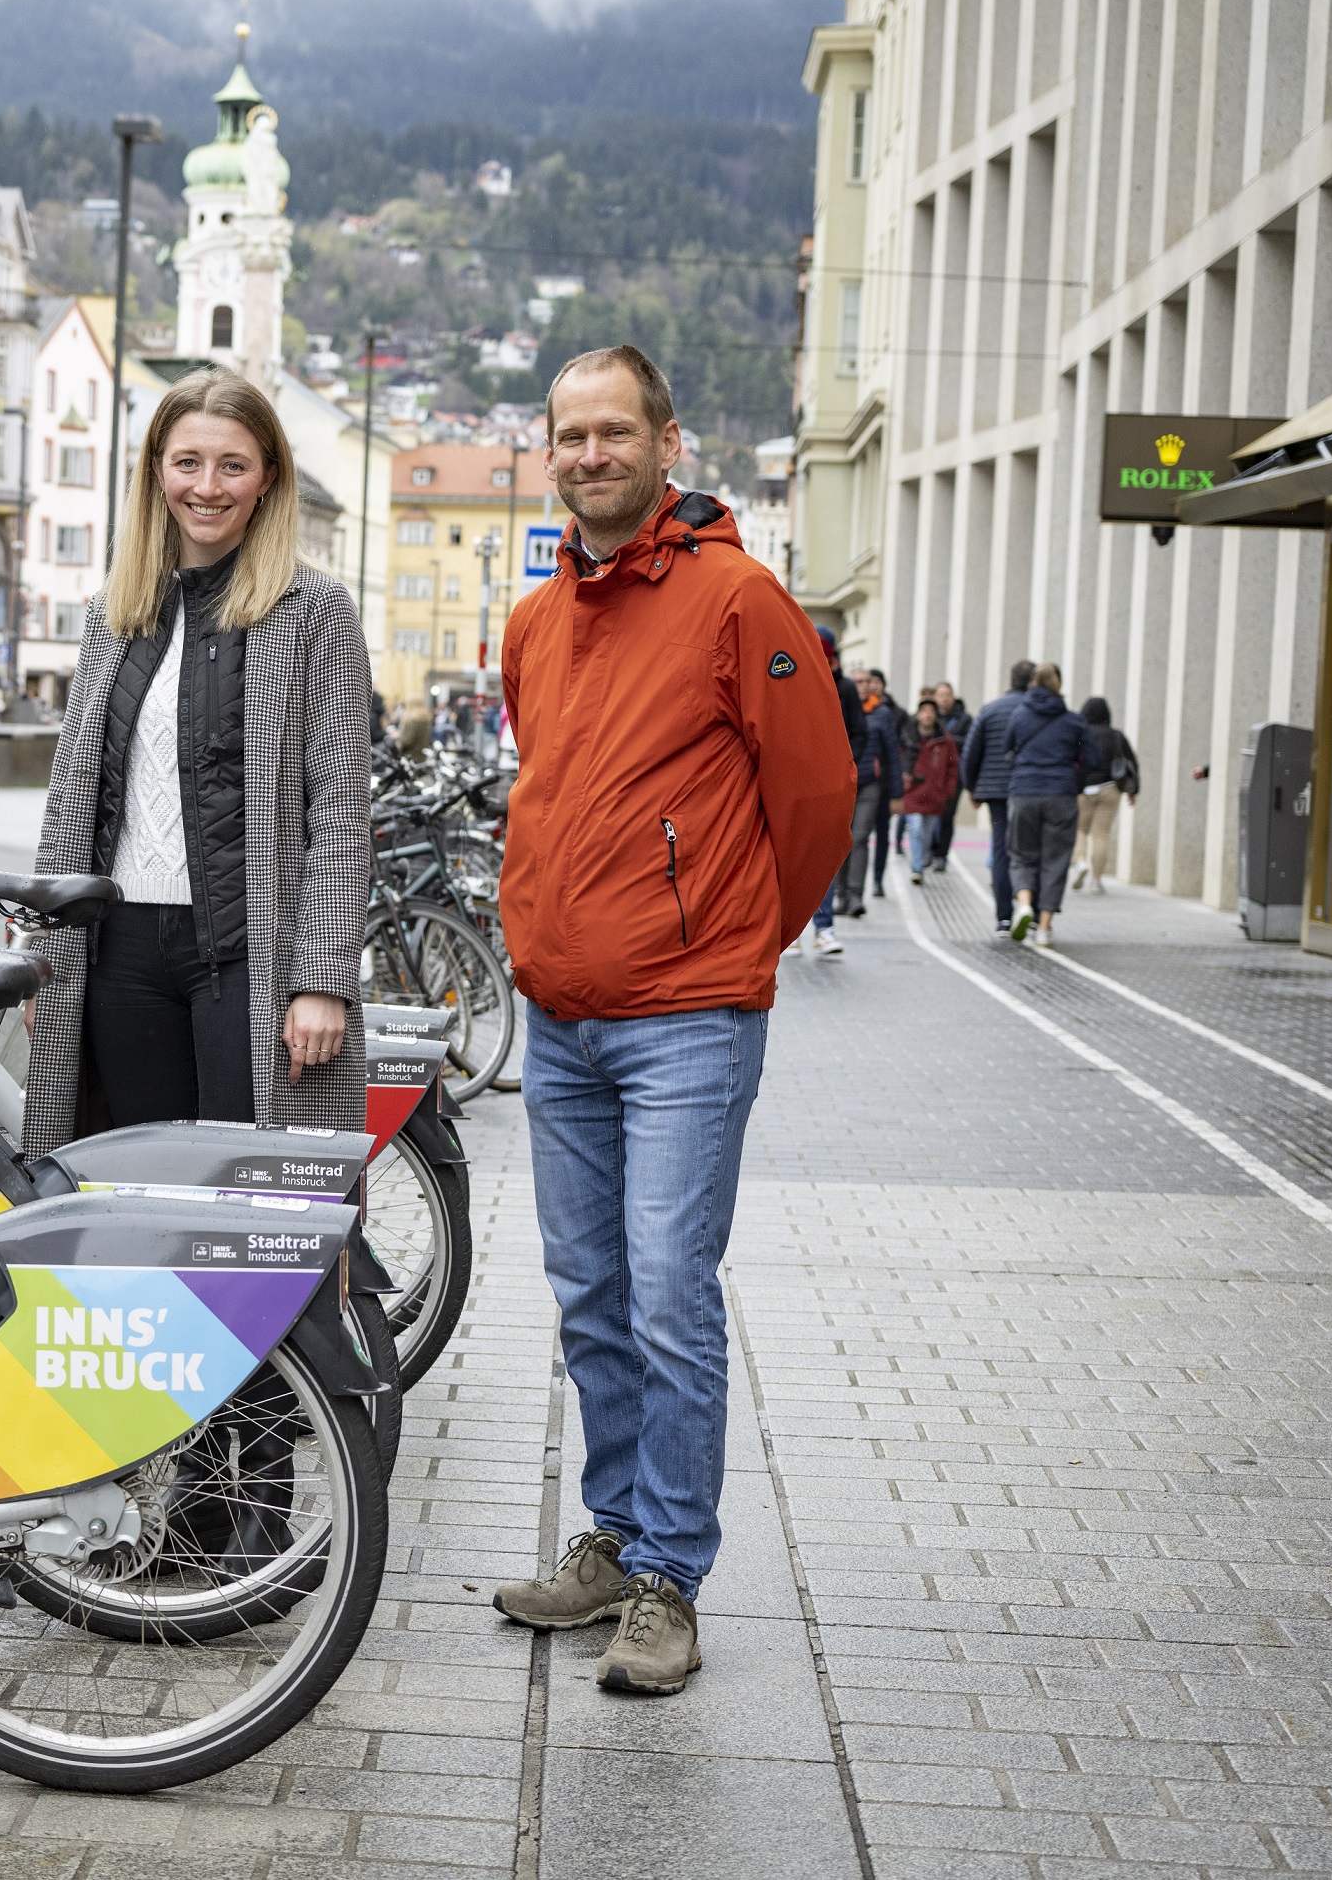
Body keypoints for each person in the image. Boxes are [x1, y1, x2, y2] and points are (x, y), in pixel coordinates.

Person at [486, 344, 854, 1697]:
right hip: (565, 1017)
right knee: (591, 1295)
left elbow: (815, 799)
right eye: (569, 435)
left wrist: (733, 932)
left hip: (686, 1018)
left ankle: (669, 1580)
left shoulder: (735, 596)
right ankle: (618, 1532)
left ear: (666, 442)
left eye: (613, 431)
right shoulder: (537, 622)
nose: (590, 454)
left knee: (668, 1301)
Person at [24, 364, 372, 1149]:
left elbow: (342, 811)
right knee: (136, 1193)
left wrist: (322, 980)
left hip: (250, 951)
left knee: (249, 1198)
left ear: (267, 479)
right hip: (119, 953)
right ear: (156, 472)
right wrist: (49, 956)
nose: (207, 486)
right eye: (187, 462)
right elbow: (73, 794)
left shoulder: (312, 612)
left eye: (232, 465)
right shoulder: (113, 612)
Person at [1002, 661, 1089, 944]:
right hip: (1061, 795)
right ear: (1058, 685)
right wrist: (1074, 782)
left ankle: (1025, 904)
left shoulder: (1019, 716)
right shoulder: (1073, 721)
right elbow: (1091, 759)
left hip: (1024, 792)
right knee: (1056, 859)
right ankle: (1044, 928)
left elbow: (1008, 748)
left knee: (1021, 853)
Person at [801, 629, 870, 953]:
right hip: (797, 781)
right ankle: (791, 935)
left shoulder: (844, 688)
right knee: (792, 857)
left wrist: (843, 766)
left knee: (824, 858)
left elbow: (859, 731)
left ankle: (823, 928)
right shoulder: (794, 679)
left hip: (832, 784)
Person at [960, 658, 1038, 934]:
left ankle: (1004, 916)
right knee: (1029, 849)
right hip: (1030, 789)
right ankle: (1032, 908)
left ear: (1010, 680)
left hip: (995, 791)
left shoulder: (990, 710)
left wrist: (971, 787)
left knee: (1001, 849)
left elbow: (971, 751)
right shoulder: (1037, 712)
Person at [1072, 696, 1138, 893]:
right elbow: (1132, 762)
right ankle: (1096, 879)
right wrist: (1133, 791)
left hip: (1084, 789)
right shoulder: (1116, 735)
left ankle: (1081, 862)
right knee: (1102, 834)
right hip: (1110, 788)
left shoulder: (1080, 734)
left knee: (1080, 830)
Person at [850, 667, 900, 905]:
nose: (861, 686)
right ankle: (841, 896)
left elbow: (892, 754)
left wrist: (897, 793)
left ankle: (855, 894)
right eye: (857, 681)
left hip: (870, 783)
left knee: (859, 837)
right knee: (841, 840)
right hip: (843, 784)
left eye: (865, 681)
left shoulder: (882, 714)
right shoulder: (841, 707)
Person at [900, 697, 958, 882]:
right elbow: (898, 760)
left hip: (934, 794)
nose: (928, 714)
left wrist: (948, 790)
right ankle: (916, 868)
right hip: (913, 792)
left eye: (931, 711)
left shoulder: (945, 741)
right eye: (924, 710)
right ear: (918, 714)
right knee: (915, 828)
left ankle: (922, 859)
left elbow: (953, 767)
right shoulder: (908, 737)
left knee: (927, 834)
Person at [926, 682, 970, 869]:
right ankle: (927, 850)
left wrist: (947, 742)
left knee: (947, 816)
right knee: (928, 815)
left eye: (948, 694)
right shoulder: (928, 718)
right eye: (941, 694)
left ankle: (941, 854)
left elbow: (970, 743)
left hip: (953, 774)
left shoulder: (965, 719)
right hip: (930, 775)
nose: (944, 698)